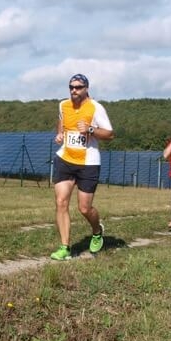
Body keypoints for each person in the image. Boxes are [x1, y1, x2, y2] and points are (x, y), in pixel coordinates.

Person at [50, 74, 114, 260]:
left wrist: (90, 129)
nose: (74, 90)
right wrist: (60, 134)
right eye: (71, 87)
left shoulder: (96, 108)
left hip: (88, 163)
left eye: (78, 87)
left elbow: (110, 134)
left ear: (86, 88)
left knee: (84, 208)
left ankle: (97, 231)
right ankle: (65, 247)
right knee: (61, 202)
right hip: (65, 159)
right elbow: (61, 121)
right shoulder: (63, 105)